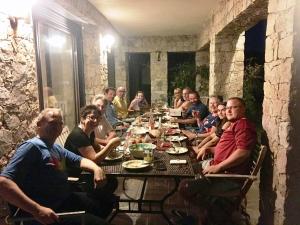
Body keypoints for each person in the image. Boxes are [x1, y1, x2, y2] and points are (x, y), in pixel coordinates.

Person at [0, 108, 110, 225]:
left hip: (64, 199)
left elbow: (80, 160)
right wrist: (37, 210)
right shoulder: (32, 147)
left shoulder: (55, 147)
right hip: (49, 212)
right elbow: (3, 183)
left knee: (106, 202)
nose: (57, 127)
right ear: (39, 125)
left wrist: (96, 169)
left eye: (60, 123)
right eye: (52, 123)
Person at [179, 97, 257, 202]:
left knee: (185, 186)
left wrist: (218, 167)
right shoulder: (234, 124)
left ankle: (203, 214)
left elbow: (243, 152)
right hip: (215, 166)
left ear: (243, 109)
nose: (228, 110)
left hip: (226, 177)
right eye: (227, 108)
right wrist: (209, 149)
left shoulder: (243, 125)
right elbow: (227, 149)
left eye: (233, 107)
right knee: (182, 170)